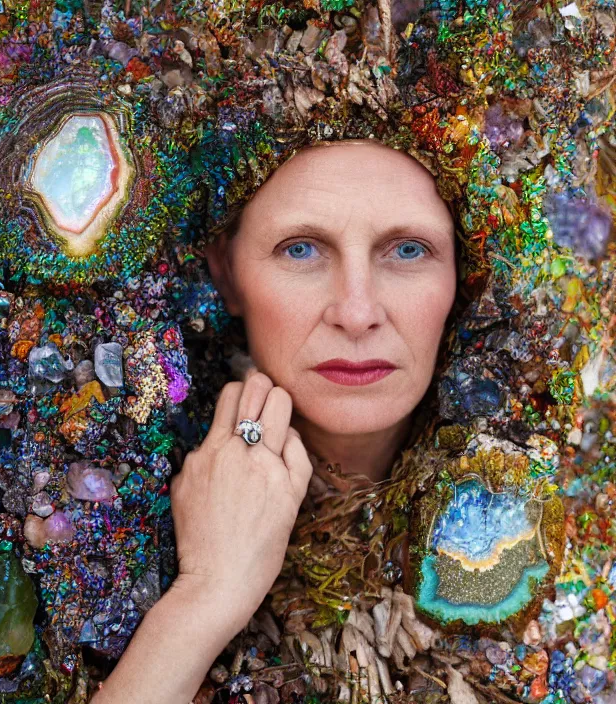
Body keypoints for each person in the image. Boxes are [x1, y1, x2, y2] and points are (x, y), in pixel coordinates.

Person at [90, 138, 458, 704]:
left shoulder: (578, 528)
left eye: (408, 250)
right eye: (301, 250)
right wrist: (205, 597)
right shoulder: (104, 532)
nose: (357, 313)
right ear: (227, 272)